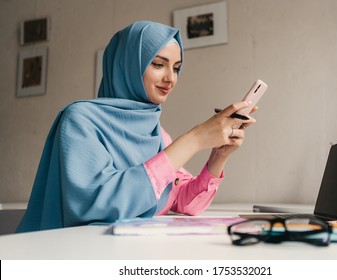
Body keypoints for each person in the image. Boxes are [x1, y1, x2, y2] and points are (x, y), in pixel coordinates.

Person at [16, 21, 256, 233]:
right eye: (159, 64)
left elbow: (182, 202)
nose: (171, 78)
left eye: (176, 67)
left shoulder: (157, 132)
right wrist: (194, 139)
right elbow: (97, 205)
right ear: (128, 65)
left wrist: (218, 156)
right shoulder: (79, 119)